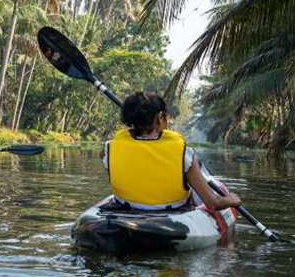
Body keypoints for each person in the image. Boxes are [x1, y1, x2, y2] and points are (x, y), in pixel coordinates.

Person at [102, 91, 242, 212]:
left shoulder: (108, 149)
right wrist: (231, 200)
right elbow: (213, 203)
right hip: (173, 215)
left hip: (125, 211)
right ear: (161, 117)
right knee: (192, 190)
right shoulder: (183, 153)